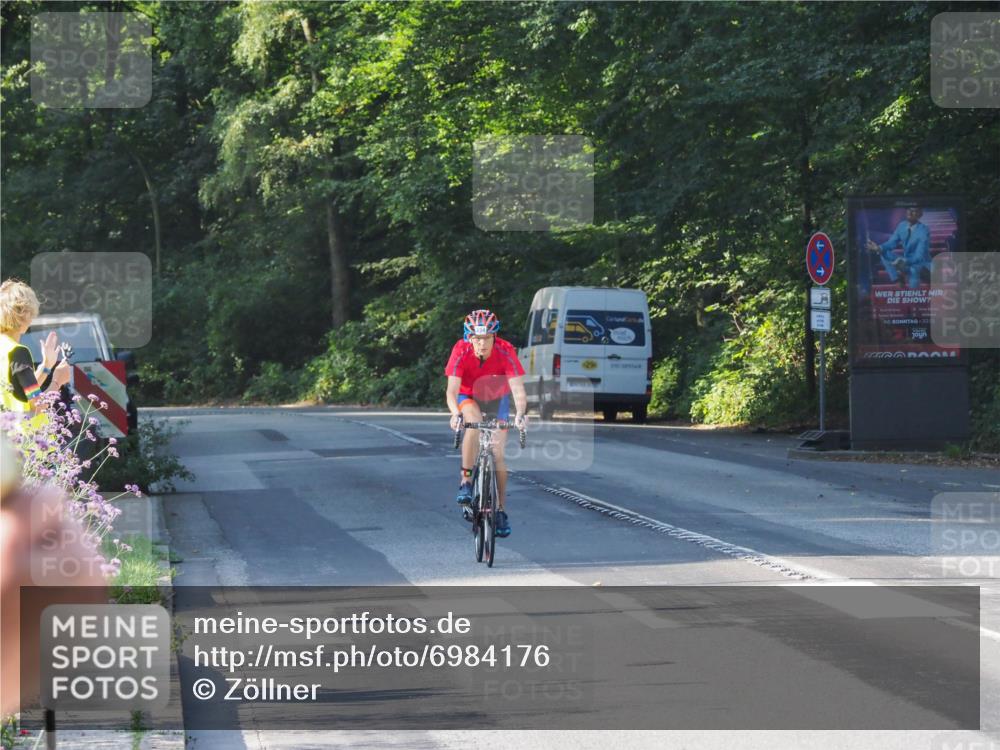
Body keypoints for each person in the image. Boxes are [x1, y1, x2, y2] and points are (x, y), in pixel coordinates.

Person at [445, 309, 527, 538]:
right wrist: (454, 414)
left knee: (497, 453)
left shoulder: (505, 349)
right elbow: (452, 391)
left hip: (496, 399)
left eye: (487, 339)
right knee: (473, 421)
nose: (482, 344)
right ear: (469, 338)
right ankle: (466, 480)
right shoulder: (460, 350)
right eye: (477, 339)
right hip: (468, 397)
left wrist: (520, 413)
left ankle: (500, 510)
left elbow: (518, 389)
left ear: (494, 337)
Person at [0, 279, 71, 415]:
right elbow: (38, 406)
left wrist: (46, 366)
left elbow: (22, 391)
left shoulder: (4, 347)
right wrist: (58, 380)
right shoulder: (18, 352)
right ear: (25, 313)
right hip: (23, 434)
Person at [867, 207, 932, 289]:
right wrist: (879, 248)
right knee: (883, 252)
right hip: (906, 261)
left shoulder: (924, 230)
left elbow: (919, 256)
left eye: (914, 210)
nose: (910, 212)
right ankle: (897, 280)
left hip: (922, 263)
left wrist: (904, 261)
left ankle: (916, 291)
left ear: (920, 214)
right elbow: (891, 243)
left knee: (914, 270)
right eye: (909, 209)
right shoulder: (902, 225)